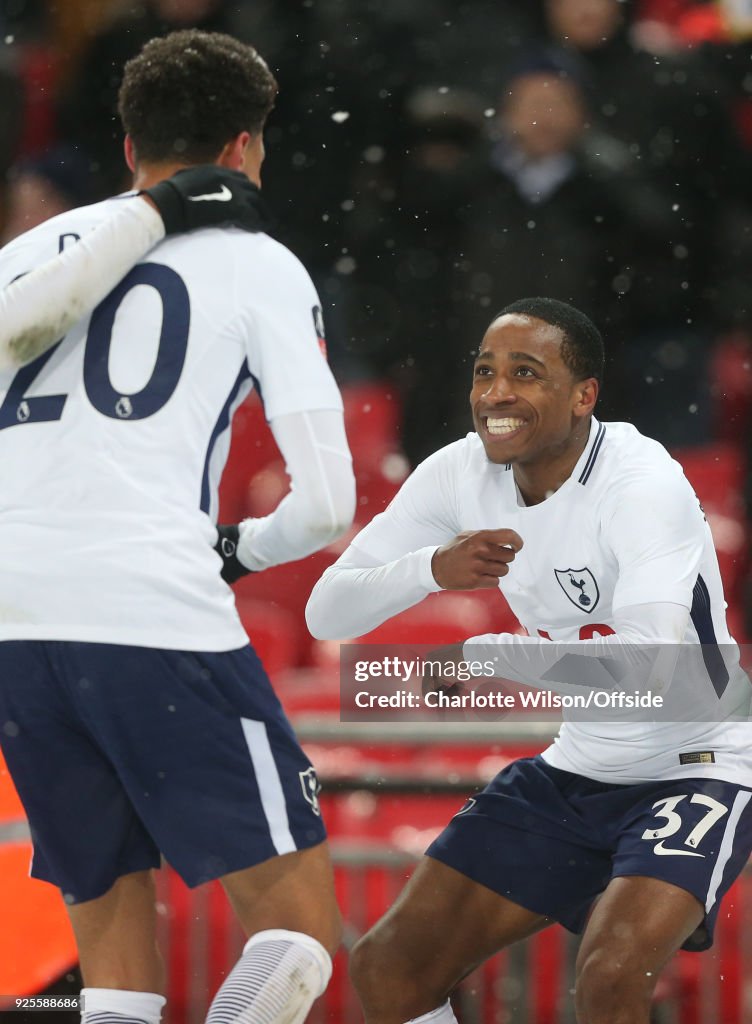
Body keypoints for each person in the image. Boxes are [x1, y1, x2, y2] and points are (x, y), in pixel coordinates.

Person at [0, 29, 355, 1024]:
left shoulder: (23, 254)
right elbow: (326, 503)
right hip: (149, 607)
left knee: (112, 977)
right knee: (292, 941)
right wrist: (238, 552)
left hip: (16, 625)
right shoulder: (257, 264)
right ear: (244, 150)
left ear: (126, 147)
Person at [305, 296, 752, 1024]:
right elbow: (329, 611)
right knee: (389, 967)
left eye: (526, 373)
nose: (496, 393)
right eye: (484, 372)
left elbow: (656, 679)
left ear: (584, 398)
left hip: (698, 759)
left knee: (610, 974)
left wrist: (497, 661)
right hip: (579, 765)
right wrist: (429, 571)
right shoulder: (456, 473)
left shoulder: (642, 483)